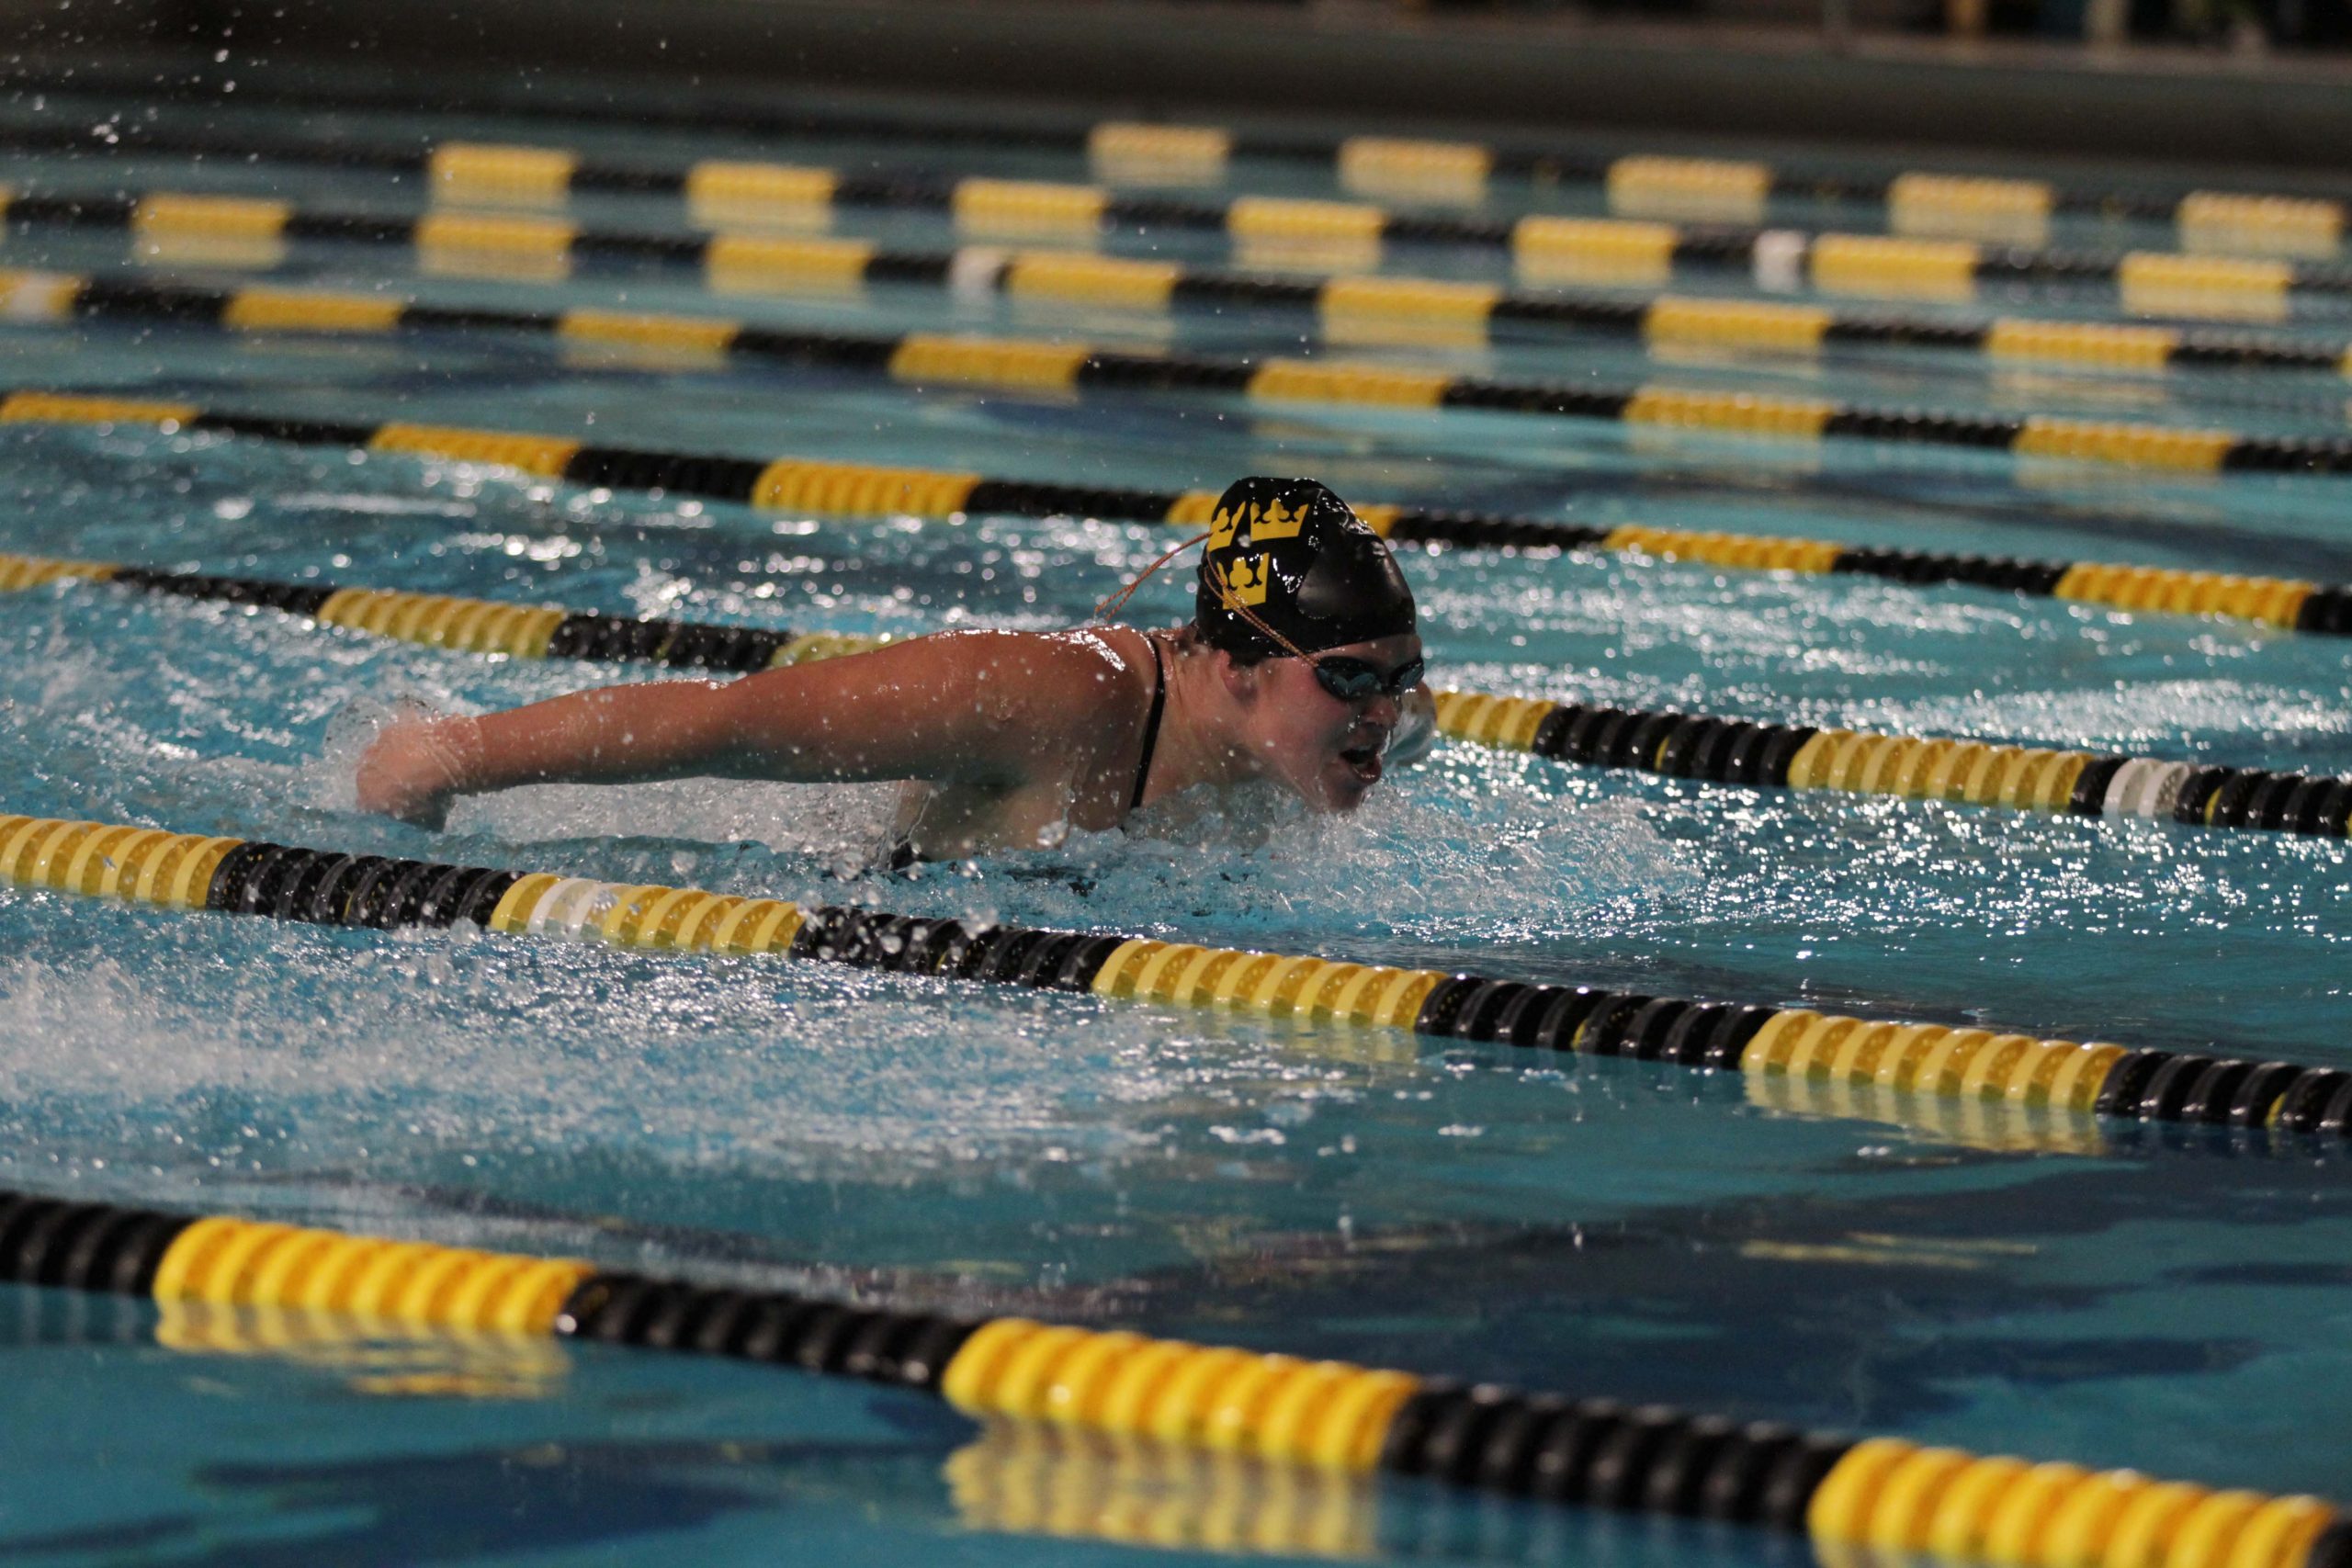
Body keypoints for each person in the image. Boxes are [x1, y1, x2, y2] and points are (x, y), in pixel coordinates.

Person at [355, 476, 1435, 863]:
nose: (1386, 715)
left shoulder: (1345, 733)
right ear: (1239, 668)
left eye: (1402, 680)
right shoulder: (1053, 698)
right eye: (1351, 682)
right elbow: (732, 722)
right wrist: (453, 753)